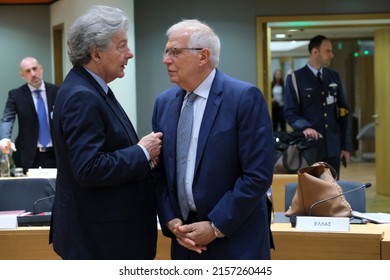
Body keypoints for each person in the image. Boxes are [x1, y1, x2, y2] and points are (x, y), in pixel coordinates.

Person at [152, 19, 274, 260]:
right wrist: (171, 220)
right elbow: (159, 173)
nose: (166, 60)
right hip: (184, 240)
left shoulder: (243, 98)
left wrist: (216, 226)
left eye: (175, 52)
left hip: (235, 240)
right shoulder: (163, 104)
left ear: (203, 56)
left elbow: (257, 175)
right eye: (166, 52)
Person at [49, 5, 163, 260]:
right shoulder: (83, 96)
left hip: (101, 237)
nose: (130, 53)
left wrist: (140, 155)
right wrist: (142, 152)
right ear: (96, 53)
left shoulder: (89, 87)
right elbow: (88, 168)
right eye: (121, 45)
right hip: (101, 243)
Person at [284, 35, 351, 177]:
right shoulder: (296, 78)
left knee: (332, 191)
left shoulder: (333, 76)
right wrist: (305, 127)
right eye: (328, 51)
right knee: (311, 192)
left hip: (332, 147)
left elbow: (344, 112)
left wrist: (345, 146)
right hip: (309, 148)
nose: (331, 55)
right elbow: (290, 113)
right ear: (315, 52)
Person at [0, 57, 59, 173]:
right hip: (28, 155)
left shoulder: (57, 92)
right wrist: (5, 138)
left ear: (41, 69)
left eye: (35, 69)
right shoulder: (16, 95)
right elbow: (7, 119)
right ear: (22, 75)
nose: (33, 74)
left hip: (55, 154)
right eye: (28, 71)